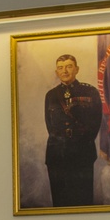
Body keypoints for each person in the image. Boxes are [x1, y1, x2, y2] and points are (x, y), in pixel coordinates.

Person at [44, 54, 103, 207]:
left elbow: (95, 123)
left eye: (69, 66)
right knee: (60, 201)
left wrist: (79, 143)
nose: (65, 71)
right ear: (57, 72)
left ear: (77, 69)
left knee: (83, 199)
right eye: (60, 68)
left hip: (82, 153)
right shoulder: (51, 95)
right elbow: (50, 126)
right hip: (57, 154)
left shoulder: (90, 92)